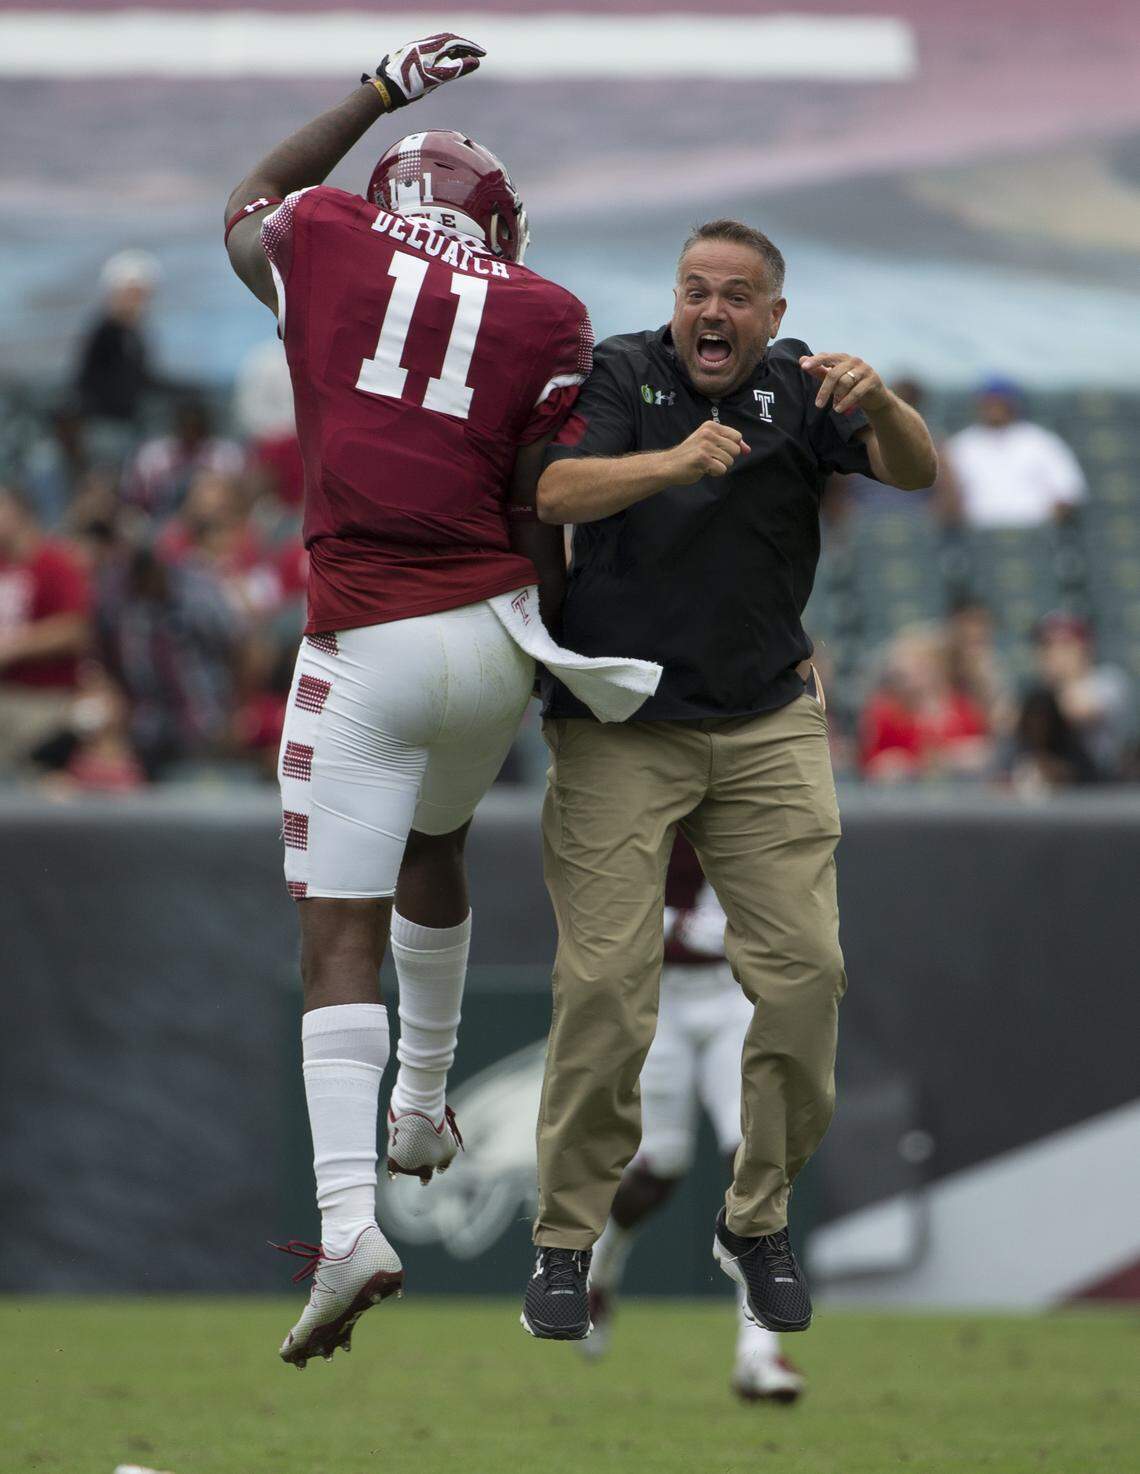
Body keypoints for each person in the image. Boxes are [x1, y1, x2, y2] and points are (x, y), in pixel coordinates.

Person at [223, 32, 633, 1368]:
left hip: (369, 639)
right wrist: (547, 647)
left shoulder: (332, 236)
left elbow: (243, 210)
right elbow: (536, 505)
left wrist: (381, 91)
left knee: (335, 933)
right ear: (499, 226)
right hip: (497, 636)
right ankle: (419, 1104)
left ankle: (353, 1218)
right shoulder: (547, 309)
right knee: (437, 845)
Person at [520, 217, 937, 1341]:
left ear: (775, 316)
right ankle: (565, 1242)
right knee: (604, 985)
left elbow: (916, 471)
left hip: (761, 722)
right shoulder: (624, 370)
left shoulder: (806, 391)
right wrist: (671, 459)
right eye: (696, 290)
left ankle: (756, 1220)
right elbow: (555, 493)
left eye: (737, 295)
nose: (712, 310)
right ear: (676, 299)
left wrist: (884, 402)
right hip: (622, 718)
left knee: (806, 975)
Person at [585, 835, 806, 1403]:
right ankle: (600, 1262)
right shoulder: (643, 784)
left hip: (735, 994)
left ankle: (758, 1350)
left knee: (754, 1162)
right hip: (659, 994)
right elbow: (600, 896)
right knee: (658, 1170)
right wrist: (682, 926)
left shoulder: (744, 778)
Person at [0, 483, 91, 773]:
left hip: (42, 699)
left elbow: (75, 629)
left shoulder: (55, 562)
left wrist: (13, 647)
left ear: (21, 513)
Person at [859, 622, 992, 783]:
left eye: (915, 665)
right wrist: (906, 763)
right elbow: (871, 767)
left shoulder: (964, 710)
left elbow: (984, 755)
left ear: (935, 668)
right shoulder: (885, 713)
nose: (903, 673)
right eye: (900, 667)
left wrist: (957, 756)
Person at [944, 378, 1086, 529]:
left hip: (1034, 534)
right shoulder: (960, 445)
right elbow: (944, 502)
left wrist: (1049, 532)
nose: (994, 407)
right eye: (989, 401)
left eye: (1000, 401)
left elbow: (1068, 493)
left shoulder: (1041, 442)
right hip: (976, 535)